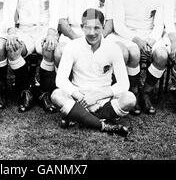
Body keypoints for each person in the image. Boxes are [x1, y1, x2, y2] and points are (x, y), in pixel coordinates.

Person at [51, 8, 135, 137]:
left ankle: (78, 117)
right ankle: (104, 124)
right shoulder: (72, 46)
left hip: (103, 99)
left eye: (96, 28)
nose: (92, 33)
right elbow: (61, 80)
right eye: (87, 28)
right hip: (79, 98)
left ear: (103, 27)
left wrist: (96, 97)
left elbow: (124, 83)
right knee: (56, 95)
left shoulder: (113, 48)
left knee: (129, 99)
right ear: (81, 27)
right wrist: (81, 97)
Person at [4, 0, 59, 113]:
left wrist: (51, 32)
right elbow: (8, 11)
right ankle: (25, 90)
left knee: (49, 48)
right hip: (24, 31)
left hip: (44, 30)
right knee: (12, 48)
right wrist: (12, 32)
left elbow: (55, 12)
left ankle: (44, 92)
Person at [111, 0, 167, 115]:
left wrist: (151, 39)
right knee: (134, 52)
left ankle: (146, 92)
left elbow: (159, 24)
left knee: (162, 56)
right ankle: (134, 91)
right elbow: (119, 25)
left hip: (150, 36)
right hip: (126, 36)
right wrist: (136, 40)